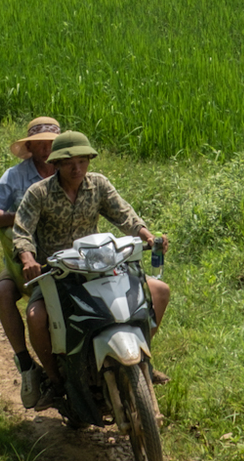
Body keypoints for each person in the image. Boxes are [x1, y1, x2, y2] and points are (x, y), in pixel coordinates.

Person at [12, 131, 170, 397]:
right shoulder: (38, 193)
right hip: (57, 273)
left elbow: (124, 215)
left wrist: (147, 235)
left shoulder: (98, 185)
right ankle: (55, 380)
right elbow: (22, 230)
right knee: (36, 318)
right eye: (70, 162)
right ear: (57, 164)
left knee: (159, 292)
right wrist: (28, 257)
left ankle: (140, 359)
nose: (77, 168)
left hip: (99, 266)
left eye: (83, 161)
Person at [0, 116, 59, 408]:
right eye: (40, 143)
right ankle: (26, 363)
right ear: (30, 147)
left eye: (51, 142)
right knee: (3, 291)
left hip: (61, 253)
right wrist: (20, 219)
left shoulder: (70, 170)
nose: (46, 148)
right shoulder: (15, 176)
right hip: (23, 259)